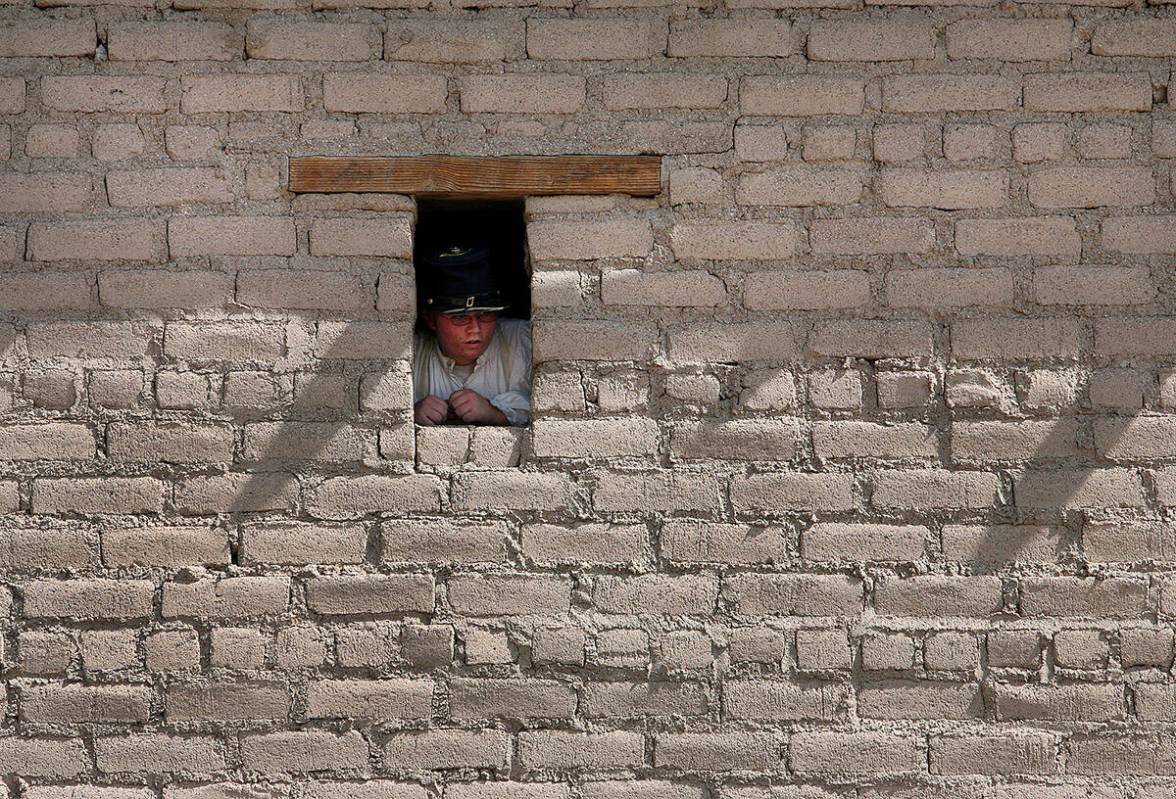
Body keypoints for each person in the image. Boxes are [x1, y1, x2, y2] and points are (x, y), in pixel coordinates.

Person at [412, 242, 532, 427]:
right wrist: (410, 412)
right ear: (431, 320)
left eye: (485, 314)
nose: (475, 329)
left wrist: (494, 413)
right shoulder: (410, 355)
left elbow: (558, 406)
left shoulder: (525, 341)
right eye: (460, 317)